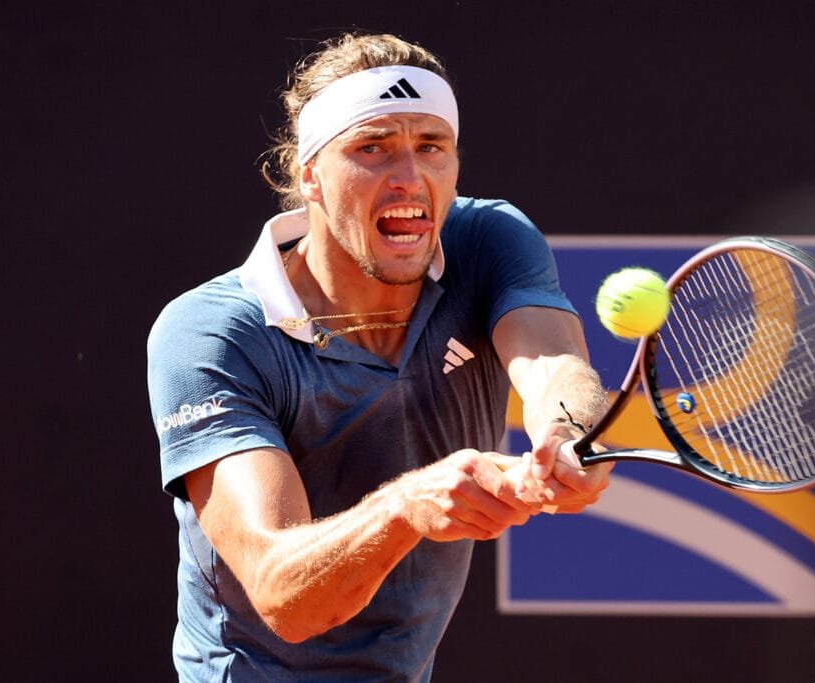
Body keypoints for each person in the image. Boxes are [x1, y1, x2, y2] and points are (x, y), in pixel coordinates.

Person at [147, 32, 612, 681]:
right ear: (309, 173)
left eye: (431, 146)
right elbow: (285, 594)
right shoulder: (212, 333)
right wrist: (405, 505)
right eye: (372, 147)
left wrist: (565, 431)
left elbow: (554, 367)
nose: (410, 177)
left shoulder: (488, 241)